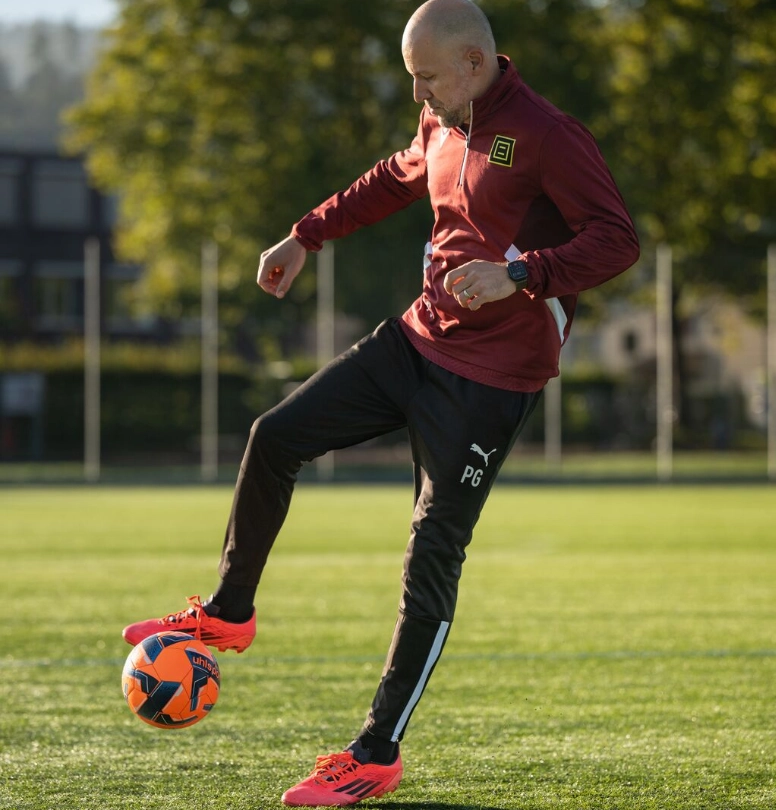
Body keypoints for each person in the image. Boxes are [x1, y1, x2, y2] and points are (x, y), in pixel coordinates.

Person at [123, 0, 639, 804]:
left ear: (474, 64)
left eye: (427, 77)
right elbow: (392, 179)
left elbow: (617, 238)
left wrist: (520, 274)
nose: (417, 94)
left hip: (491, 383)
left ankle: (375, 753)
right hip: (413, 342)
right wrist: (305, 234)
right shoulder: (441, 121)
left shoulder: (547, 134)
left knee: (430, 555)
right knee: (275, 435)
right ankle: (229, 612)